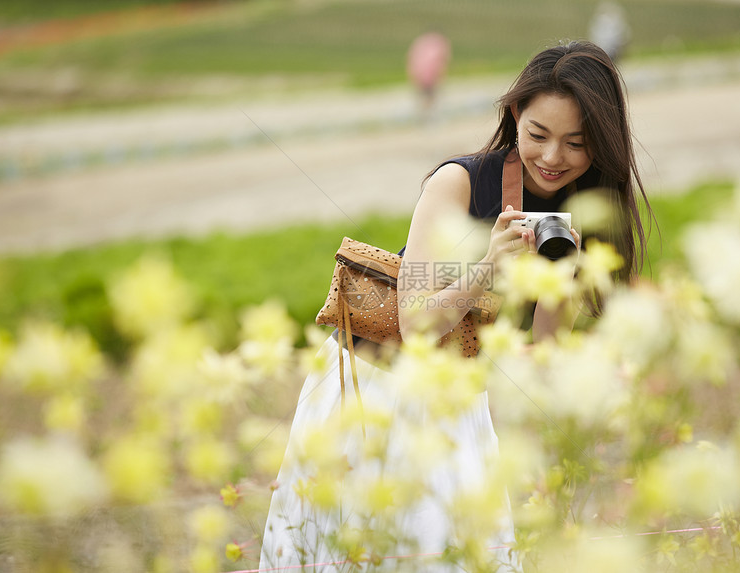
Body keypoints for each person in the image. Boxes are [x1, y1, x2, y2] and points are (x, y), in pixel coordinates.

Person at [259, 40, 652, 572]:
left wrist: (560, 276)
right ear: (514, 115)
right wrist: (488, 264)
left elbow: (542, 355)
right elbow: (414, 319)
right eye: (538, 135)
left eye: (576, 144)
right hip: (373, 388)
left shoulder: (577, 217)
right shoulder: (459, 182)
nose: (553, 158)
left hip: (459, 400)